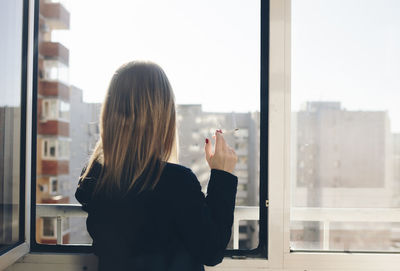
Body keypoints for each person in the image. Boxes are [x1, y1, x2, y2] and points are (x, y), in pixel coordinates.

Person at [75, 61, 238, 271]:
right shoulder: (175, 182)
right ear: (162, 117)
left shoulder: (94, 178)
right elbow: (212, 251)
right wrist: (222, 175)